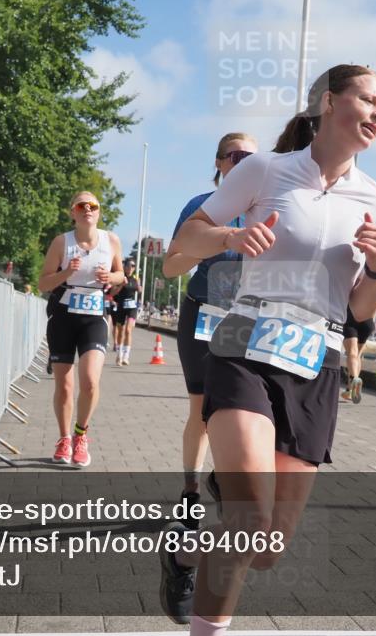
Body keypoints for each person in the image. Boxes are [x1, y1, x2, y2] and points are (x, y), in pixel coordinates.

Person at [160, 65, 376, 630]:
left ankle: (185, 553)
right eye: (369, 99)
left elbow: (361, 308)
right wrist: (231, 237)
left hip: (317, 361)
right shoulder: (265, 170)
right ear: (329, 103)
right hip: (245, 342)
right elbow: (182, 244)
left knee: (266, 548)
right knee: (247, 521)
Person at [162, 132, 259, 524]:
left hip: (245, 320)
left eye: (254, 157)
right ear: (220, 163)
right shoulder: (200, 207)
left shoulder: (264, 207)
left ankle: (226, 480)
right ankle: (191, 488)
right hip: (202, 314)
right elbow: (170, 267)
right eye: (237, 156)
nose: (246, 162)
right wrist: (212, 244)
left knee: (239, 409)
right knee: (202, 411)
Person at [38, 192, 125, 468]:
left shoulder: (111, 241)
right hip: (63, 317)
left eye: (93, 206)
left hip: (94, 317)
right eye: (81, 206)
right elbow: (43, 283)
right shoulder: (62, 242)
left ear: (99, 212)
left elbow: (122, 276)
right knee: (65, 386)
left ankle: (80, 435)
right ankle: (64, 439)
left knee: (90, 382)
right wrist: (66, 272)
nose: (87, 209)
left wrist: (110, 277)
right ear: (73, 213)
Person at [341, 307, 375, 403]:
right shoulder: (368, 291)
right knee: (357, 356)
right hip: (368, 320)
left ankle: (354, 379)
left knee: (352, 353)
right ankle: (349, 390)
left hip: (350, 318)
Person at [112, 258, 141, 365]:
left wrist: (139, 286)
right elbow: (113, 293)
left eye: (133, 266)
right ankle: (119, 355)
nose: (131, 268)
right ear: (124, 267)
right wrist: (121, 285)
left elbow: (140, 290)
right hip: (121, 307)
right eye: (129, 265)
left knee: (128, 330)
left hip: (132, 307)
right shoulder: (120, 278)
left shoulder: (136, 278)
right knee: (120, 332)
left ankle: (126, 356)